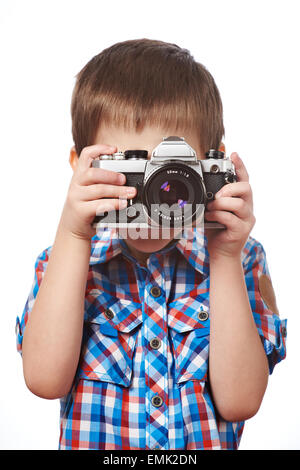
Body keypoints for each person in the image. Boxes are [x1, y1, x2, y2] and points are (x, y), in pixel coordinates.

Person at [15, 38, 287, 450]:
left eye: (171, 174)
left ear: (212, 168)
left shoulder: (241, 258)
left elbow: (241, 402)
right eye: (129, 172)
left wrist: (225, 257)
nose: (153, 195)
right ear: (81, 168)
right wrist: (73, 234)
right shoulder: (64, 263)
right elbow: (43, 379)